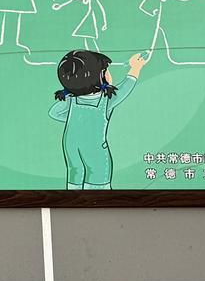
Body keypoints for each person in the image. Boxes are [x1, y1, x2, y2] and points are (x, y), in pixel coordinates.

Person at [49, 49, 147, 190]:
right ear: (100, 77)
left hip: (71, 147)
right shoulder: (106, 100)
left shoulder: (70, 99)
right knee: (97, 180)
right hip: (95, 151)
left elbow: (54, 113)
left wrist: (77, 119)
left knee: (75, 176)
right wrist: (136, 67)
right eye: (105, 71)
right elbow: (126, 86)